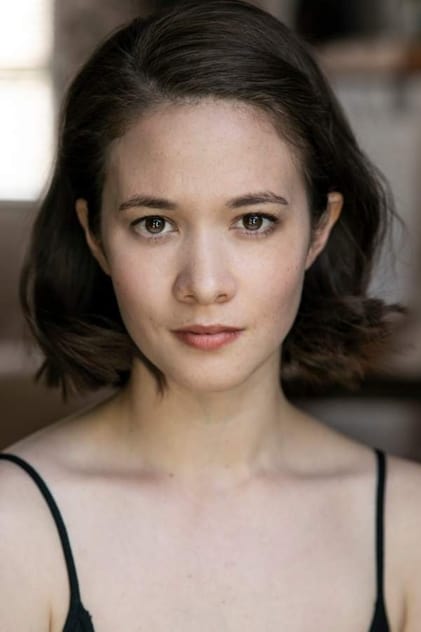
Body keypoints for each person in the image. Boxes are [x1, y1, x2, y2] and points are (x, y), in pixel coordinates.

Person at [0, 1, 420, 630]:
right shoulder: (13, 526)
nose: (203, 285)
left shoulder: (408, 529)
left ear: (318, 229)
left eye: (253, 221)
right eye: (155, 224)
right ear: (95, 236)